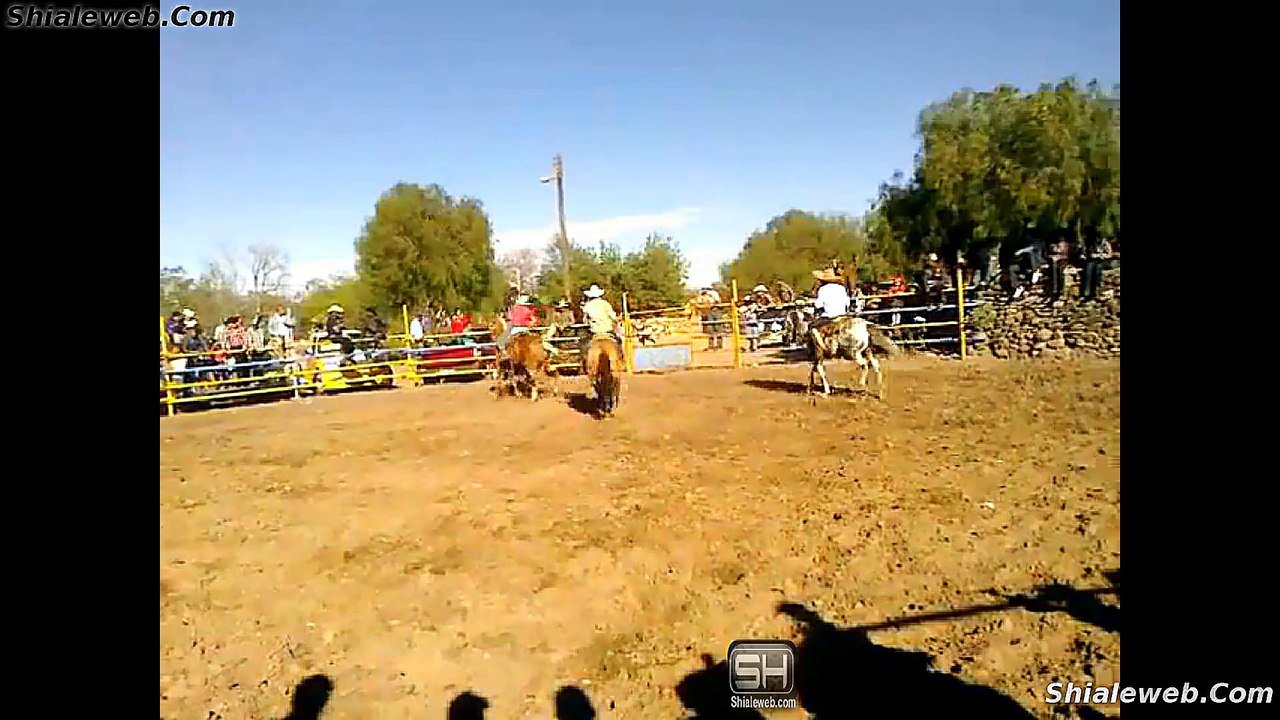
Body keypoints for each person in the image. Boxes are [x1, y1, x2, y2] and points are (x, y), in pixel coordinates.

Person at [1080, 235, 1113, 301]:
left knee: (1098, 268)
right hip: (1090, 261)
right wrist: (1084, 256)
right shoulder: (1088, 243)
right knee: (1089, 268)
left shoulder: (1104, 243)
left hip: (1101, 261)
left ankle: (1097, 291)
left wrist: (1102, 256)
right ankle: (1087, 292)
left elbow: (1109, 254)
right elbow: (1083, 253)